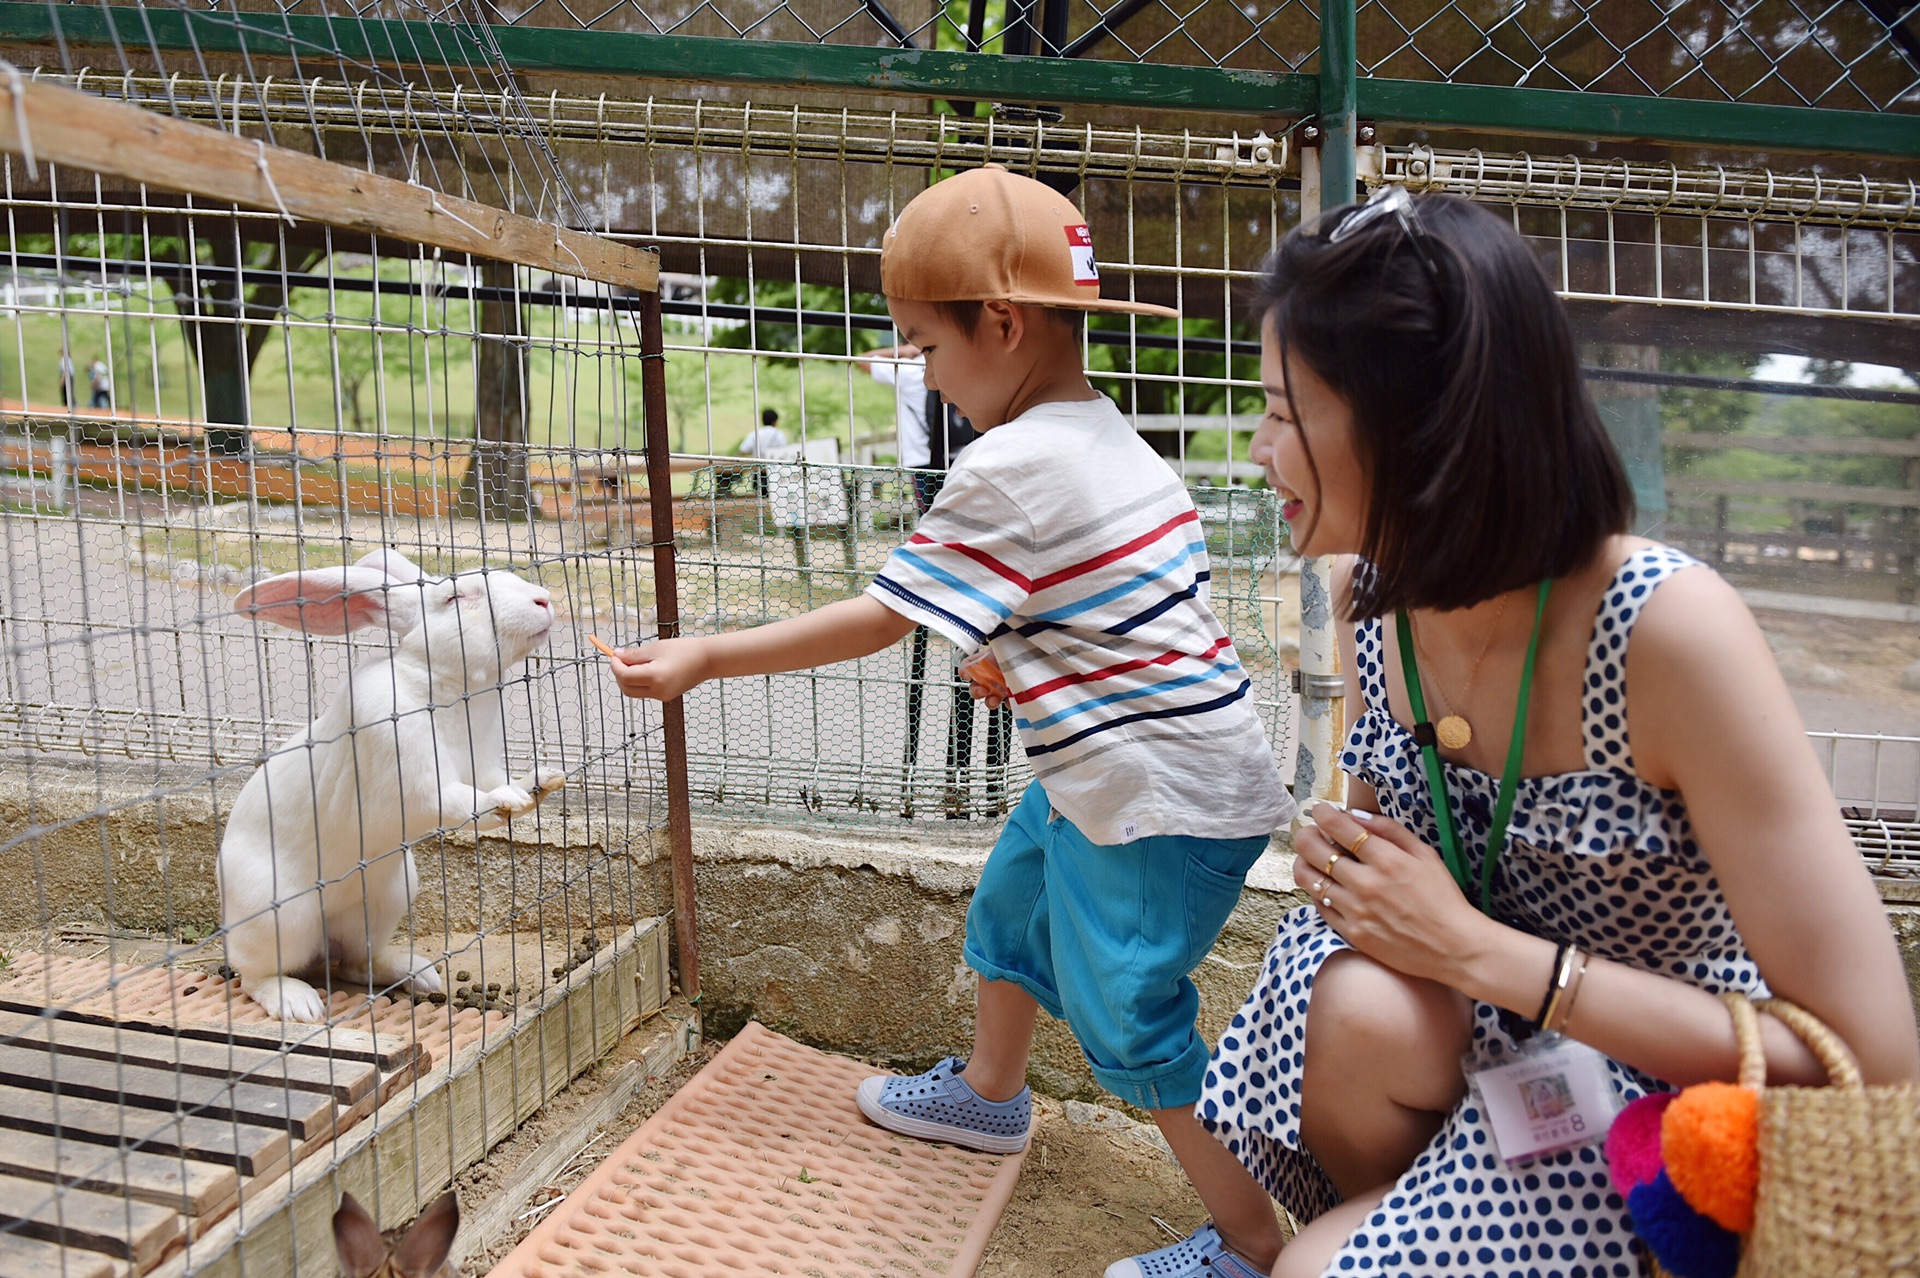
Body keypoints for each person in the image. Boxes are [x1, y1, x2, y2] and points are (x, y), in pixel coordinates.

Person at [1197, 185, 1920, 1278]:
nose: (1258, 449)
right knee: (1348, 1001)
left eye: (1288, 414)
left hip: (1653, 1081)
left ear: (1420, 426)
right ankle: (1404, 1226)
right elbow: (1405, 868)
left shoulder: (1669, 633)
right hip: (1488, 1024)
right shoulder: (1372, 594)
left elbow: (1874, 1059)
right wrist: (1355, 868)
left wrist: (1482, 952)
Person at [603, 164, 1297, 1278]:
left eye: (926, 347)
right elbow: (1128, 614)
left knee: (1133, 1023)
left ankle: (1254, 1241)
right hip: (1126, 771)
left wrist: (707, 657)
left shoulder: (1013, 463)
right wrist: (1027, 669)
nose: (922, 373)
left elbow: (881, 620)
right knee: (1011, 913)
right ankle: (988, 1095)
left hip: (1154, 803)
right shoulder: (1103, 436)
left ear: (1006, 325)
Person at [715, 407, 788, 496]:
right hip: (775, 472)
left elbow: (743, 450)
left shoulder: (756, 434)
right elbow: (785, 452)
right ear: (775, 421)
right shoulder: (780, 435)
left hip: (758, 473)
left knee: (760, 496)